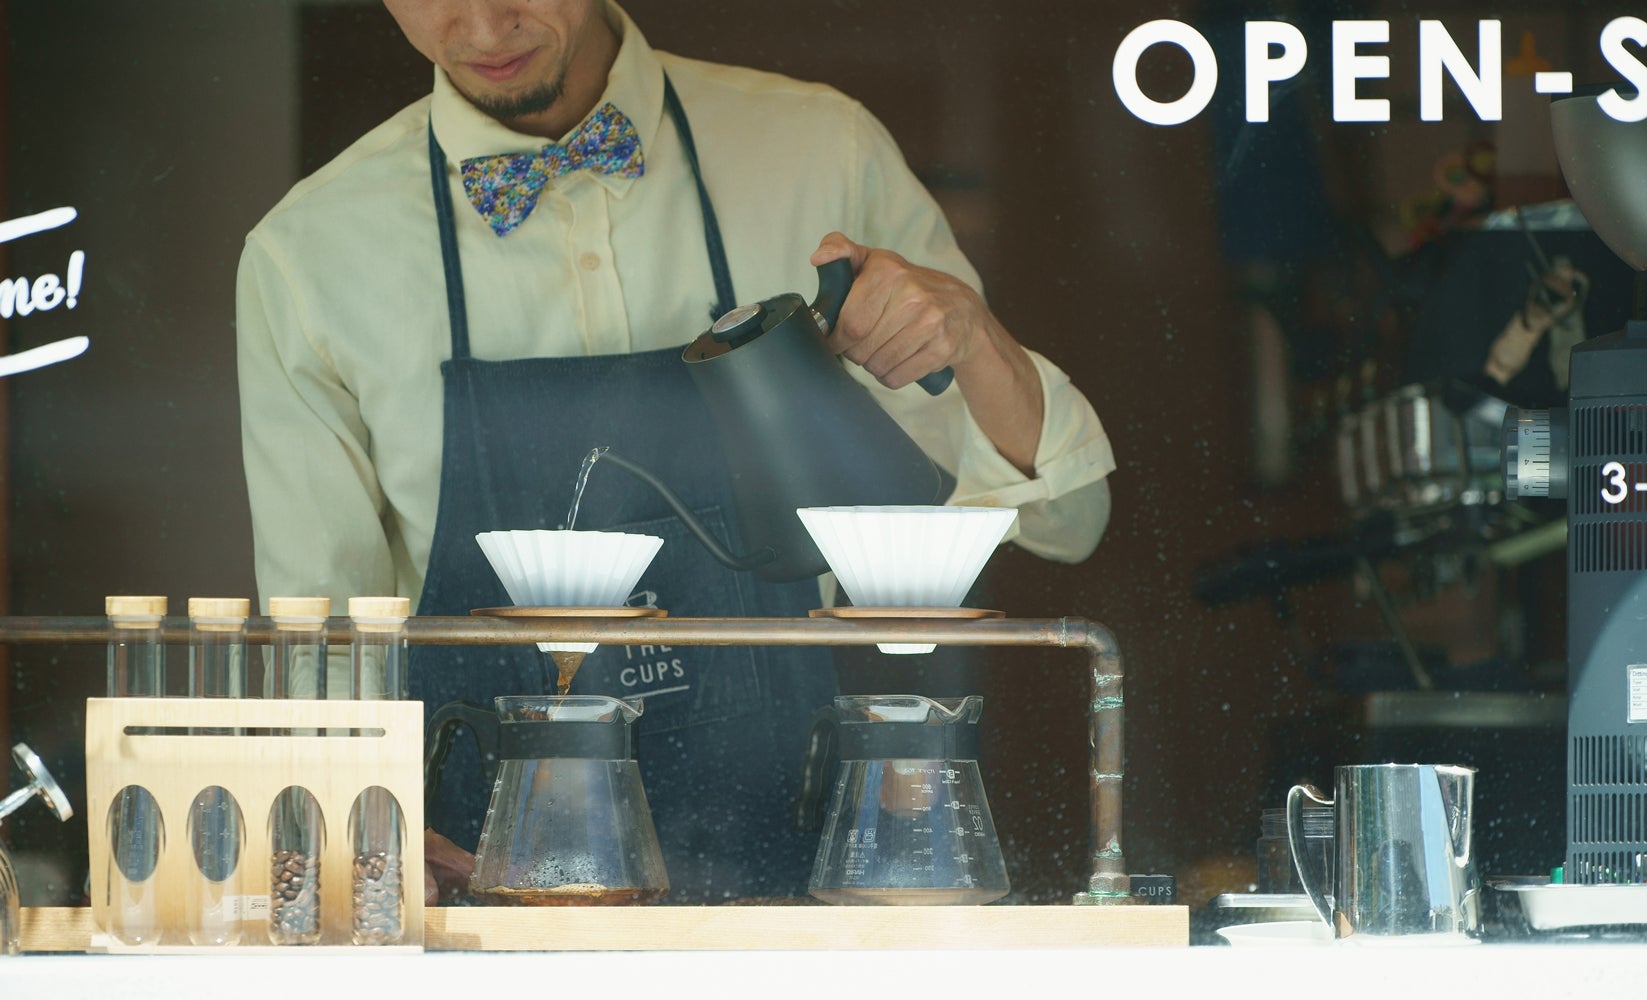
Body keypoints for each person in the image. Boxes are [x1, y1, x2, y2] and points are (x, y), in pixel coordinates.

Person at [236, 0, 1115, 903]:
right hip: (489, 895)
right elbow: (323, 642)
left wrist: (974, 340)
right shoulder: (309, 255)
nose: (483, 23)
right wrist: (355, 823)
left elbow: (1065, 520)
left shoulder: (819, 153)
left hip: (801, 877)